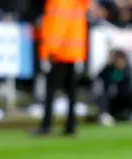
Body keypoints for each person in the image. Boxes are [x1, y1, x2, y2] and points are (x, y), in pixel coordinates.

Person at [34, 0, 90, 136]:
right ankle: (70, 125)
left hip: (59, 53)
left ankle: (46, 125)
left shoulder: (59, 2)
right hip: (73, 52)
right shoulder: (77, 3)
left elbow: (57, 28)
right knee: (71, 92)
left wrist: (49, 53)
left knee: (50, 90)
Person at [96, 50, 132, 127]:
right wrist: (108, 65)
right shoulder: (109, 69)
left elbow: (125, 79)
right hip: (112, 99)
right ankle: (105, 116)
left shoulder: (127, 69)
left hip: (125, 97)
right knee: (103, 96)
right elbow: (100, 77)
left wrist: (120, 69)